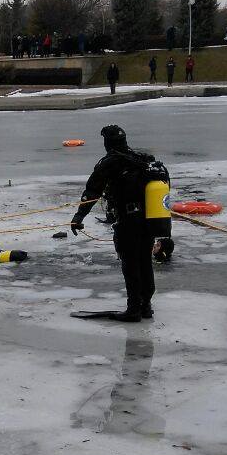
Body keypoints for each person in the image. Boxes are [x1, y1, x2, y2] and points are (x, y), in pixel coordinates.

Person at [69, 125, 162, 322]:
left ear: (107, 142)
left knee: (130, 263)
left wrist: (78, 217)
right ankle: (146, 305)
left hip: (128, 220)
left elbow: (92, 192)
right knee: (144, 261)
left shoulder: (110, 163)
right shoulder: (141, 159)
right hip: (149, 219)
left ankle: (133, 308)